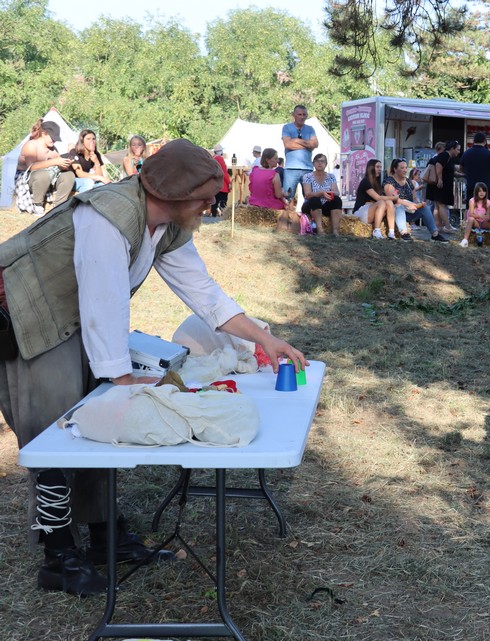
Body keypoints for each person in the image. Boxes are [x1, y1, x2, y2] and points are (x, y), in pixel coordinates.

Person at [0, 138, 307, 597]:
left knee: (99, 423)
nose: (210, 206)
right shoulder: (108, 216)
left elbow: (204, 293)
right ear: (176, 192)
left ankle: (105, 537)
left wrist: (264, 339)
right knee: (56, 434)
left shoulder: (166, 225)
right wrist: (122, 380)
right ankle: (58, 557)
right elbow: (104, 301)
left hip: (75, 319)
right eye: (205, 197)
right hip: (28, 317)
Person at [15, 119, 74, 215]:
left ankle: (59, 206)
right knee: (43, 174)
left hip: (48, 178)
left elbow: (57, 166)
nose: (54, 141)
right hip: (28, 179)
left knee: (69, 175)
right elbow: (31, 167)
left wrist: (64, 164)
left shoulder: (53, 149)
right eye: (52, 138)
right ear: (44, 134)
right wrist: (54, 161)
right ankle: (37, 204)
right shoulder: (31, 145)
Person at [384, 157, 444, 241]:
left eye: (406, 168)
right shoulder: (389, 181)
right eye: (402, 168)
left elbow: (414, 197)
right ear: (395, 169)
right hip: (394, 212)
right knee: (399, 205)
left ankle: (435, 234)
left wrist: (419, 203)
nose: (405, 170)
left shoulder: (408, 181)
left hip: (409, 211)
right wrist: (408, 204)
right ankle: (404, 233)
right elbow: (392, 199)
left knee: (425, 208)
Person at [300, 153, 344, 236]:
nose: (320, 163)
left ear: (326, 164)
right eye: (317, 161)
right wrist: (321, 193)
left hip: (326, 204)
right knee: (315, 200)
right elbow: (308, 194)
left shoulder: (331, 176)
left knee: (337, 200)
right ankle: (320, 229)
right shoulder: (307, 176)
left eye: (322, 161)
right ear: (313, 163)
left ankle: (335, 230)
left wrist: (329, 193)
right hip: (311, 205)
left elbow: (337, 192)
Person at [353, 158, 397, 240]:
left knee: (389, 202)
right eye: (377, 167)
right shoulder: (365, 181)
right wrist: (394, 197)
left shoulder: (377, 183)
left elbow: (377, 200)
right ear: (371, 168)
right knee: (382, 202)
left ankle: (391, 232)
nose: (380, 169)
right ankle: (376, 231)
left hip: (370, 210)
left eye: (380, 167)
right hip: (360, 212)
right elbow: (378, 198)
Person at [281, 105, 318, 200]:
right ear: (294, 115)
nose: (302, 117)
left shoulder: (310, 129)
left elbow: (315, 144)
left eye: (304, 114)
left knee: (310, 198)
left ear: (307, 116)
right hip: (291, 169)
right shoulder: (287, 127)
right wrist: (307, 145)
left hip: (308, 168)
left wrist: (295, 140)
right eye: (299, 114)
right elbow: (288, 145)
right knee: (287, 197)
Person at [426, 140, 461, 234]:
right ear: (452, 148)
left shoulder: (447, 157)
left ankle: (438, 226)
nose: (459, 152)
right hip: (440, 185)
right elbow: (438, 165)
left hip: (439, 185)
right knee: (441, 205)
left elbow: (448, 170)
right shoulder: (445, 155)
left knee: (437, 205)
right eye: (458, 149)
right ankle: (447, 226)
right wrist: (440, 179)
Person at [460, 132, 490, 209]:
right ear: (484, 141)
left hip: (471, 185)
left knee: (471, 208)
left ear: (473, 141)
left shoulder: (467, 153)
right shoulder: (488, 153)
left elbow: (461, 168)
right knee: (484, 208)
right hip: (485, 187)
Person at [460, 182, 490, 248]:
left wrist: (488, 218)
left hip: (482, 222)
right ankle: (465, 240)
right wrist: (480, 216)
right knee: (471, 219)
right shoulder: (472, 201)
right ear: (476, 192)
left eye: (483, 191)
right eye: (479, 191)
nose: (482, 193)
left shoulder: (488, 202)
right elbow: (471, 214)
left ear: (486, 192)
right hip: (475, 222)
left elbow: (487, 215)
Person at [210, 144, 230, 217]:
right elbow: (224, 172)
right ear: (220, 151)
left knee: (214, 203)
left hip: (215, 184)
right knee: (223, 202)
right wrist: (229, 182)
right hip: (222, 185)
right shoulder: (220, 158)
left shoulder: (213, 158)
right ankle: (221, 217)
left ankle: (213, 215)